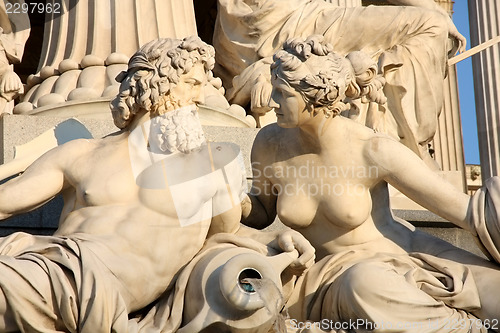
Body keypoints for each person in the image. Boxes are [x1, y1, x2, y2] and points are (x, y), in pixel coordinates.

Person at [0, 36, 314, 332]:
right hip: (56, 264)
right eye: (191, 84)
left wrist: (278, 238)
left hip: (96, 287)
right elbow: (6, 203)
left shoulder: (206, 169)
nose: (200, 99)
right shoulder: (81, 153)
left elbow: (227, 234)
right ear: (155, 85)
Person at [242, 36, 500, 333]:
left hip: (412, 257)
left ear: (315, 96)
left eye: (282, 93)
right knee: (364, 283)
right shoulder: (269, 144)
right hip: (341, 278)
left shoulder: (371, 149)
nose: (271, 101)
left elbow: (467, 212)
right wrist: (222, 202)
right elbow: (261, 210)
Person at [215, 0, 466, 165]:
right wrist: (437, 12)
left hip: (296, 17)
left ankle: (388, 134)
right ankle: (396, 141)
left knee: (431, 22)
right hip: (292, 19)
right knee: (431, 23)